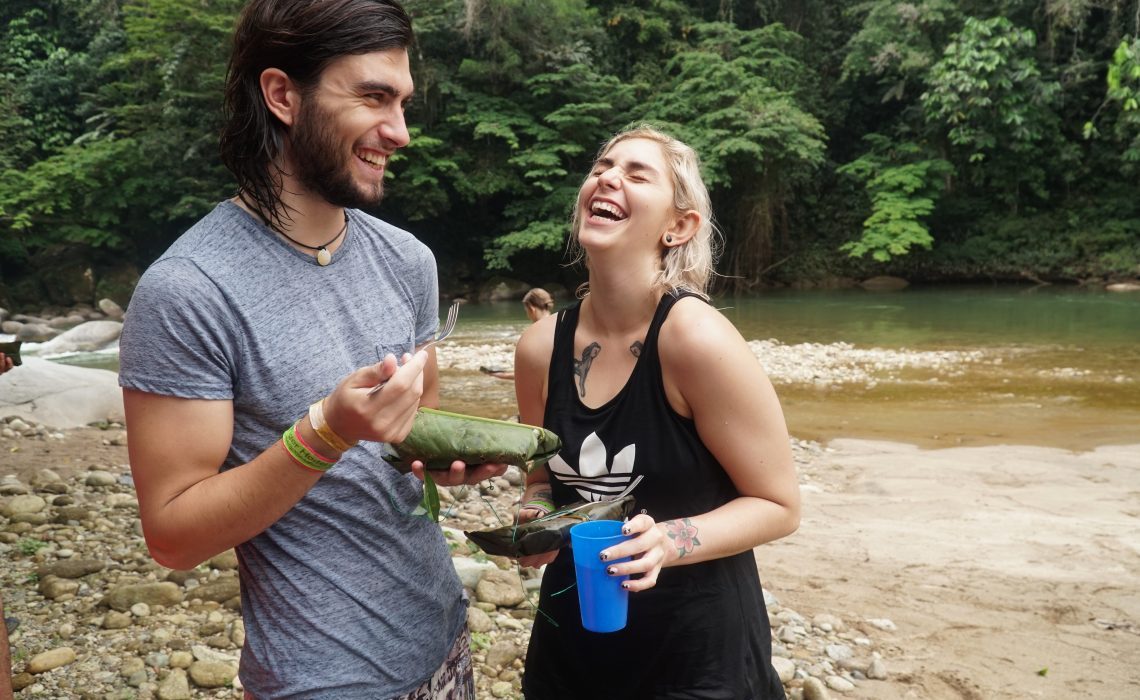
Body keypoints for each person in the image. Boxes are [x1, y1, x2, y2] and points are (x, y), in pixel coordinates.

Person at [117, 1, 504, 697]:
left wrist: (446, 460)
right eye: (374, 97)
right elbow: (173, 536)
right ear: (282, 95)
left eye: (404, 102)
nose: (401, 132)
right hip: (319, 676)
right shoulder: (188, 290)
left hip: (443, 637)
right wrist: (324, 432)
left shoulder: (407, 260)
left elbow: (408, 443)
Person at [512, 125, 802, 698]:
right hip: (572, 646)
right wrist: (534, 516)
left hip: (696, 654)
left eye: (636, 174)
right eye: (602, 167)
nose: (608, 177)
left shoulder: (695, 339)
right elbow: (543, 476)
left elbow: (779, 504)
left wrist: (668, 541)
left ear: (679, 226)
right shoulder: (539, 348)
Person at [481, 288, 556, 380]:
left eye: (526, 311)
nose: (527, 315)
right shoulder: (561, 324)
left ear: (532, 309)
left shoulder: (535, 333)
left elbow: (531, 374)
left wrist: (501, 375)